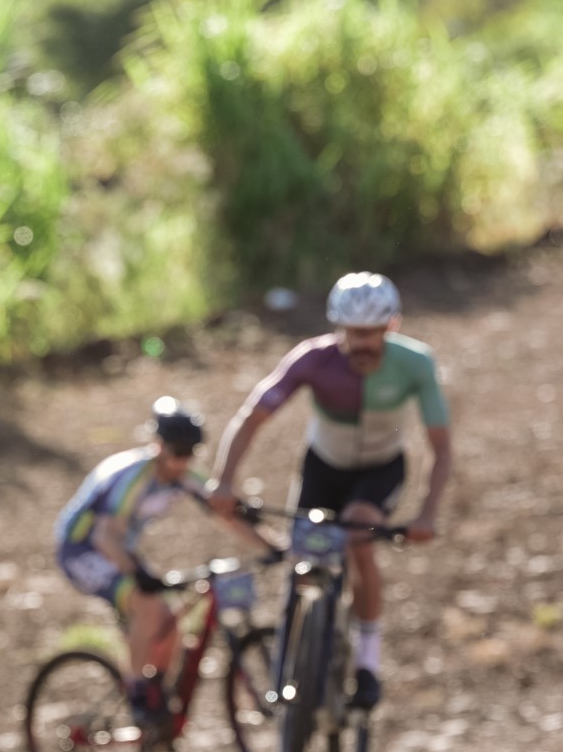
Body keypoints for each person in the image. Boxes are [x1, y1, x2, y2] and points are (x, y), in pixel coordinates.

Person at [206, 271, 452, 711]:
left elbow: (440, 445)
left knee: (359, 537)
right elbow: (252, 417)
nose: (363, 344)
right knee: (302, 561)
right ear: (338, 328)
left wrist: (428, 512)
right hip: (323, 469)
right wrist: (224, 480)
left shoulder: (416, 363)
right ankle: (289, 661)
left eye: (373, 334)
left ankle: (367, 663)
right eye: (354, 334)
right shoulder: (312, 359)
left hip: (380, 471)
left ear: (391, 326)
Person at [55, 398, 267, 726]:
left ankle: (155, 691)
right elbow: (104, 537)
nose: (183, 461)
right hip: (82, 549)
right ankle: (137, 692)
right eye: (177, 451)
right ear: (158, 445)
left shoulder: (183, 475)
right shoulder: (131, 477)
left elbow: (223, 513)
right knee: (148, 605)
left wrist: (272, 545)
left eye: (190, 452)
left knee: (171, 621)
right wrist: (137, 574)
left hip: (116, 548)